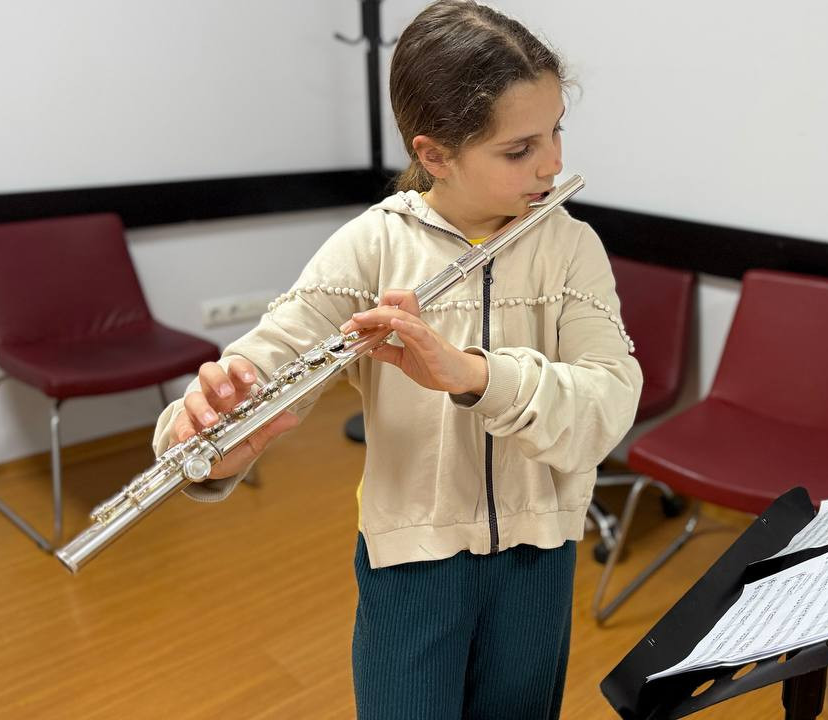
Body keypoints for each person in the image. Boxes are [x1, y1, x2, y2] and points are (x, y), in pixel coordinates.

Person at [149, 1, 642, 717]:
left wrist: (475, 376)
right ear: (435, 155)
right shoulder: (372, 246)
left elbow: (608, 404)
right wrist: (206, 435)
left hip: (540, 551)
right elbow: (266, 358)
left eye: (556, 130)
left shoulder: (569, 247)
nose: (554, 162)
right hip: (412, 561)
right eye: (519, 149)